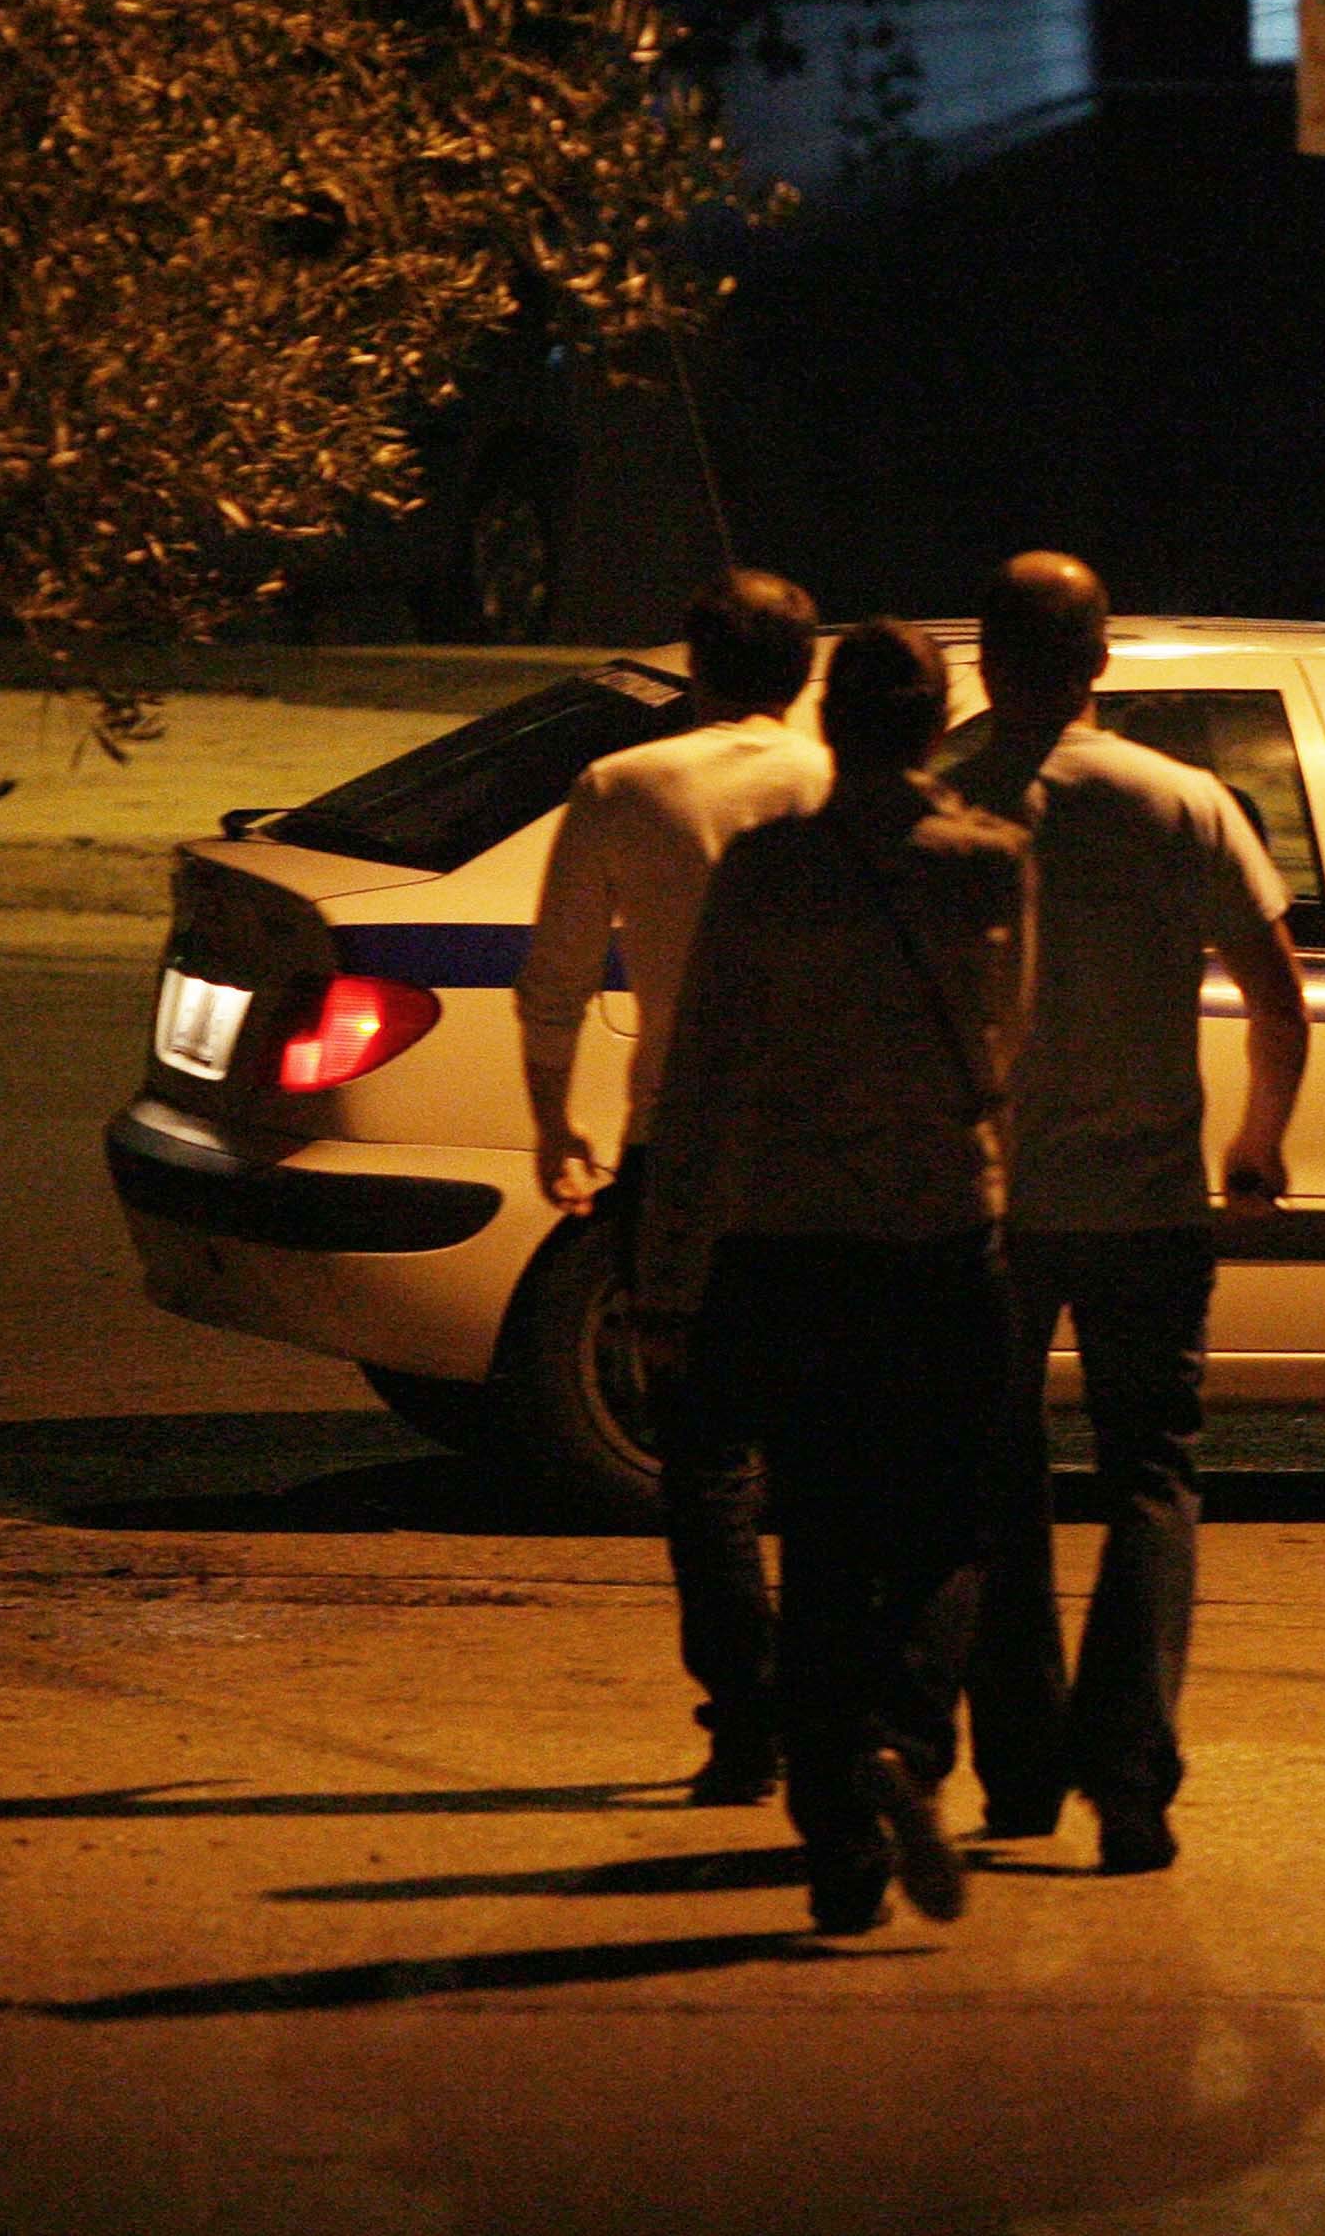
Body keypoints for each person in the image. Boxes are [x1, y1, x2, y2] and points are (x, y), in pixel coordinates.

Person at [637, 621, 1032, 1935]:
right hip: (938, 1233)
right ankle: (903, 1741)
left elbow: (701, 1070)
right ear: (934, 724)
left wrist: (669, 1270)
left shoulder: (766, 867)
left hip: (786, 1236)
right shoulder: (989, 862)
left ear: (831, 721)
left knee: (816, 1536)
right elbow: (1009, 1053)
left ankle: (836, 1832)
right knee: (945, 1524)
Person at [950, 551, 1309, 1875]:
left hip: (981, 1203)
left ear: (986, 660)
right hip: (1146, 1198)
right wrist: (1256, 1143)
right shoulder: (1179, 801)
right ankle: (1130, 1778)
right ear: (1099, 661)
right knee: (1150, 1478)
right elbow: (1277, 999)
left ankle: (1016, 1775)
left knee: (990, 1479)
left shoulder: (935, 794)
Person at [513, 568, 829, 1806]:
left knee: (706, 1450)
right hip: (827, 1157)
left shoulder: (624, 788)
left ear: (697, 668)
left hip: (681, 1153)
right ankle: (830, 1705)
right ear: (802, 672)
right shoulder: (839, 783)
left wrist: (557, 1124)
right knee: (825, 1449)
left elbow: (553, 981)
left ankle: (743, 1720)